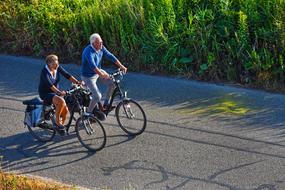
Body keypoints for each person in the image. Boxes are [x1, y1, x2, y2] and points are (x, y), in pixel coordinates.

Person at [81, 33, 127, 116]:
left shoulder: (101, 47)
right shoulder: (88, 51)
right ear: (93, 44)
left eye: (102, 42)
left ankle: (106, 104)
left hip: (98, 72)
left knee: (112, 83)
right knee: (97, 96)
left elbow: (110, 56)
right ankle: (88, 114)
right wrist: (102, 75)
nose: (101, 44)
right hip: (88, 76)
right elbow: (93, 66)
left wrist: (121, 66)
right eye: (99, 43)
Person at [38, 54, 82, 134]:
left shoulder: (57, 67)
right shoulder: (44, 71)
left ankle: (60, 126)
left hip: (55, 92)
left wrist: (77, 82)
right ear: (49, 64)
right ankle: (58, 123)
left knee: (65, 110)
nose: (57, 64)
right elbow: (50, 85)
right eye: (55, 63)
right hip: (46, 93)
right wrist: (59, 92)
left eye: (57, 61)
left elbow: (67, 75)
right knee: (61, 102)